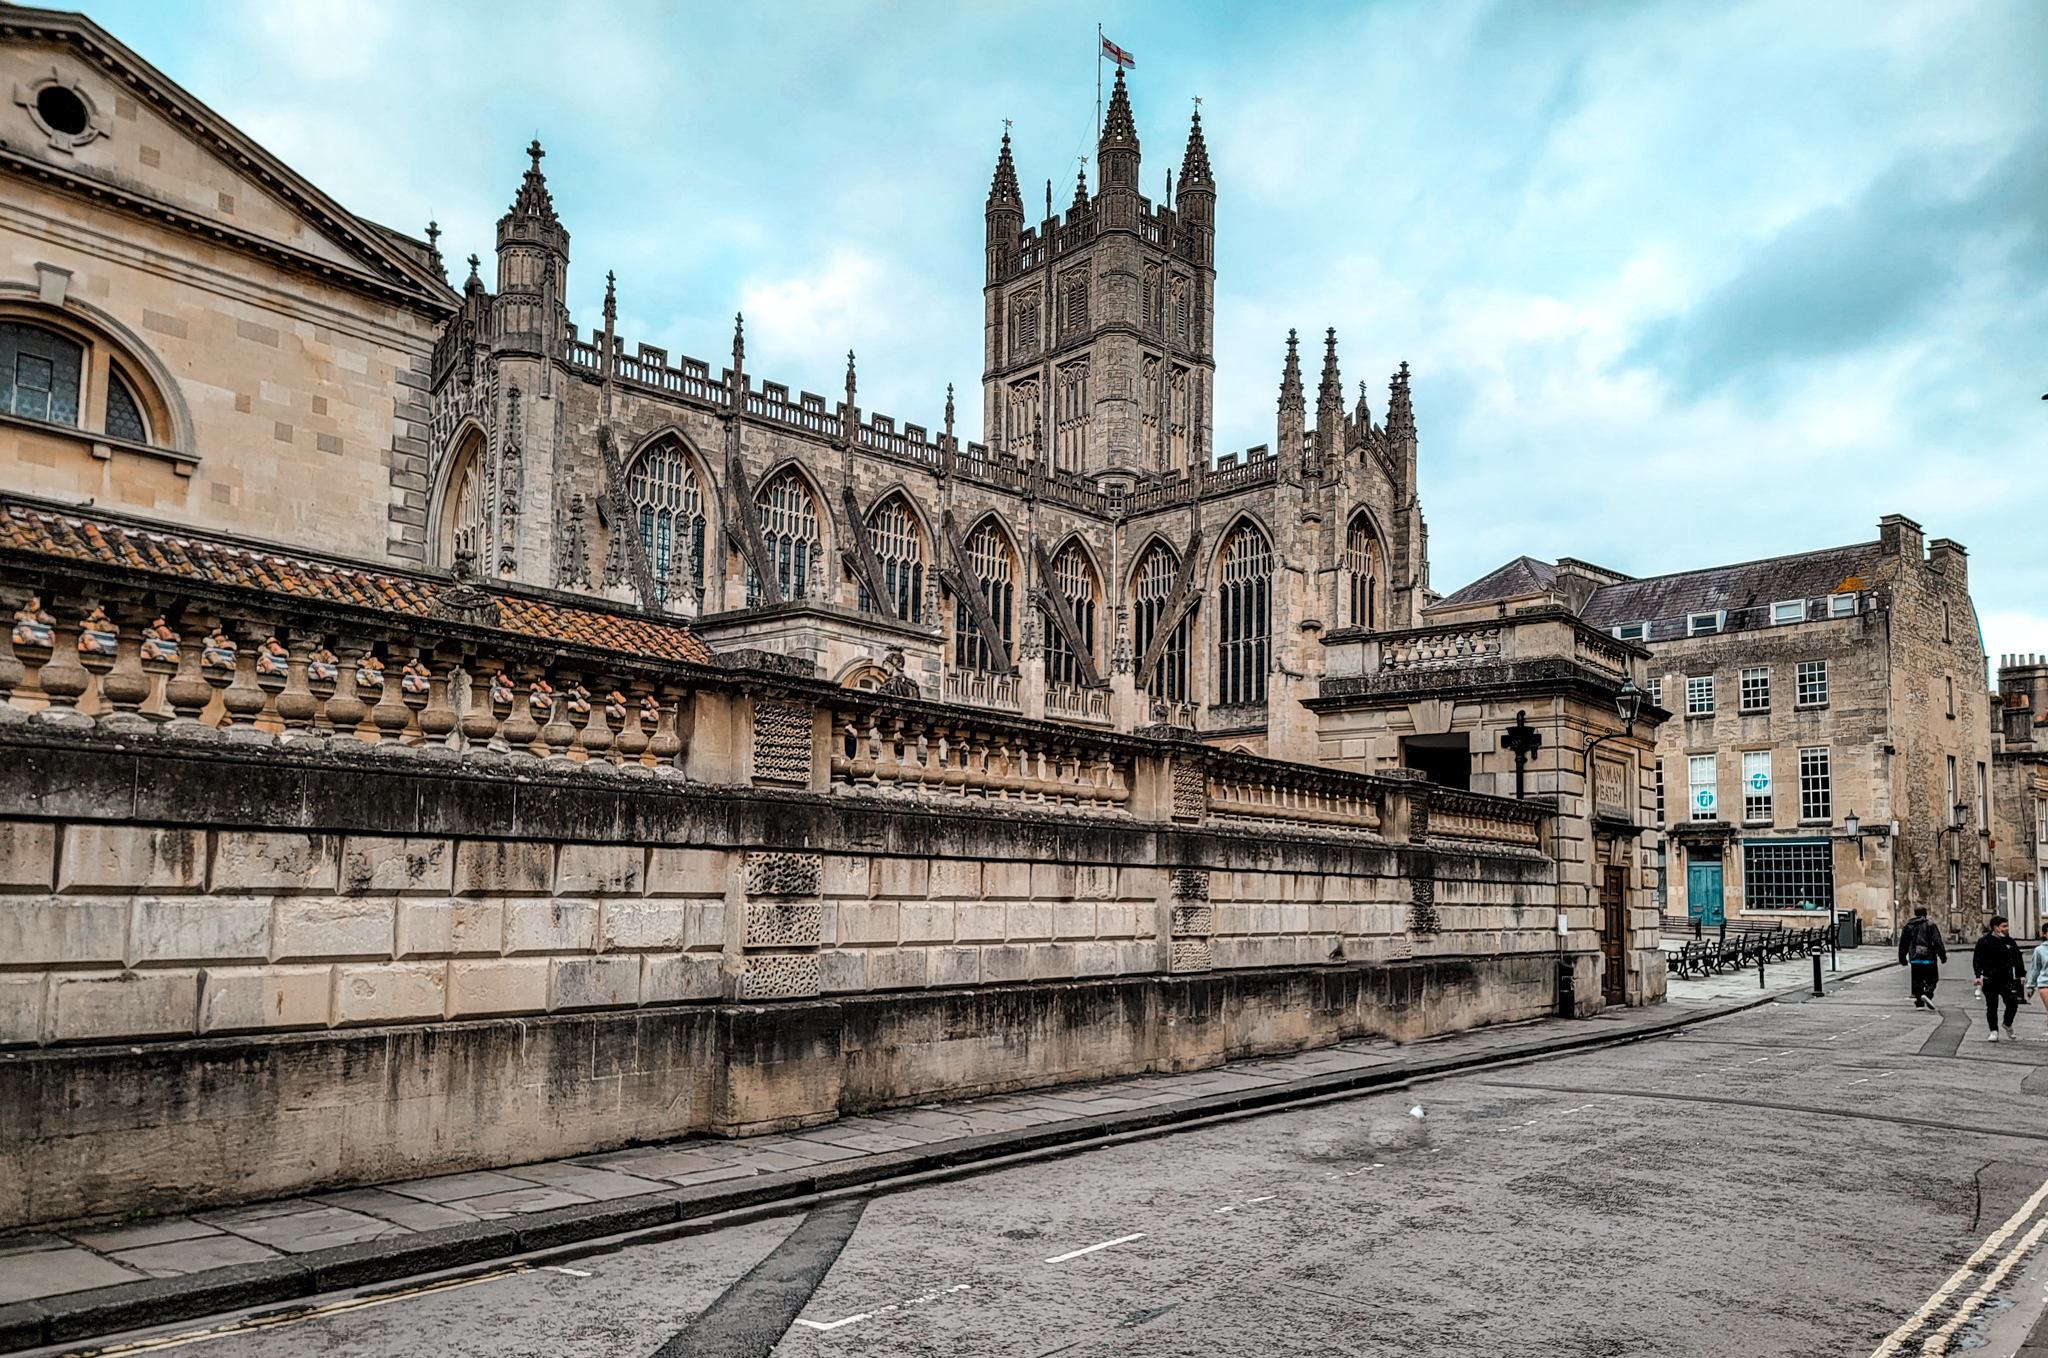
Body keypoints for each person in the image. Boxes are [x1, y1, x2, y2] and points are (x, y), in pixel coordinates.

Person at [1974, 915, 2027, 1043]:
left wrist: (2021, 974)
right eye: (2003, 926)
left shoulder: (2010, 942)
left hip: (2007, 979)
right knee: (1992, 1006)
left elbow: (2017, 959)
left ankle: (2007, 1023)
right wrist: (1977, 976)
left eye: (2007, 926)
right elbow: (1978, 959)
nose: (2006, 929)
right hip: (1990, 978)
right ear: (1995, 927)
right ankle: (1993, 1031)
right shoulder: (1984, 942)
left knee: (2012, 1003)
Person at [1899, 906, 1947, 1008]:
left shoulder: (1908, 926)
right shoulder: (1930, 926)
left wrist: (1902, 958)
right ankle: (1927, 994)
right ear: (1925, 914)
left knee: (1917, 980)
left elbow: (1903, 944)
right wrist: (1942, 956)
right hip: (1929, 958)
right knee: (1933, 979)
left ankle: (1919, 1002)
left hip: (1915, 958)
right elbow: (1938, 942)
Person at [2029, 935, 2048, 1036]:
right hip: (2045, 983)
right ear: (2045, 934)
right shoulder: (2039, 950)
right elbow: (2035, 968)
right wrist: (2031, 986)